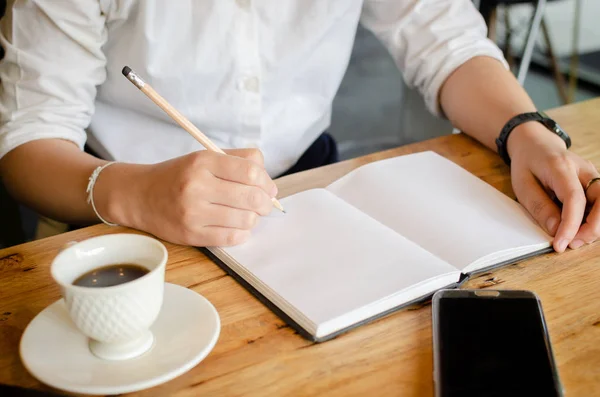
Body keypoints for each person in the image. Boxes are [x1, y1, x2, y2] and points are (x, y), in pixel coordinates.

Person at [0, 1, 598, 251]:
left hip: (300, 187)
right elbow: (28, 142)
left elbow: (441, 37)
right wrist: (132, 191)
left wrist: (527, 132)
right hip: (108, 204)